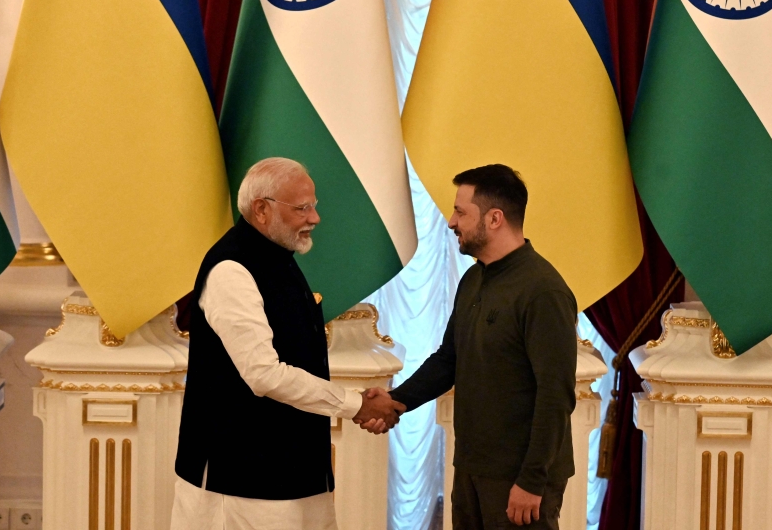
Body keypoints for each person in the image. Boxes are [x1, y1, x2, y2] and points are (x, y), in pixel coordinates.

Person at [172, 157, 405, 530]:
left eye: (314, 206)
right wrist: (355, 404)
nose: (315, 218)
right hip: (242, 480)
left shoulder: (279, 259)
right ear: (261, 210)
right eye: (303, 208)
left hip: (297, 469)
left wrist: (358, 399)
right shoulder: (232, 270)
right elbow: (263, 374)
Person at [364, 164, 579, 529]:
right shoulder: (474, 278)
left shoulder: (544, 292)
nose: (451, 222)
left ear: (494, 219)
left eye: (461, 212)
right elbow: (450, 358)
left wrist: (531, 480)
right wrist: (397, 401)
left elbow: (555, 395)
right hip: (471, 468)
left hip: (518, 479)